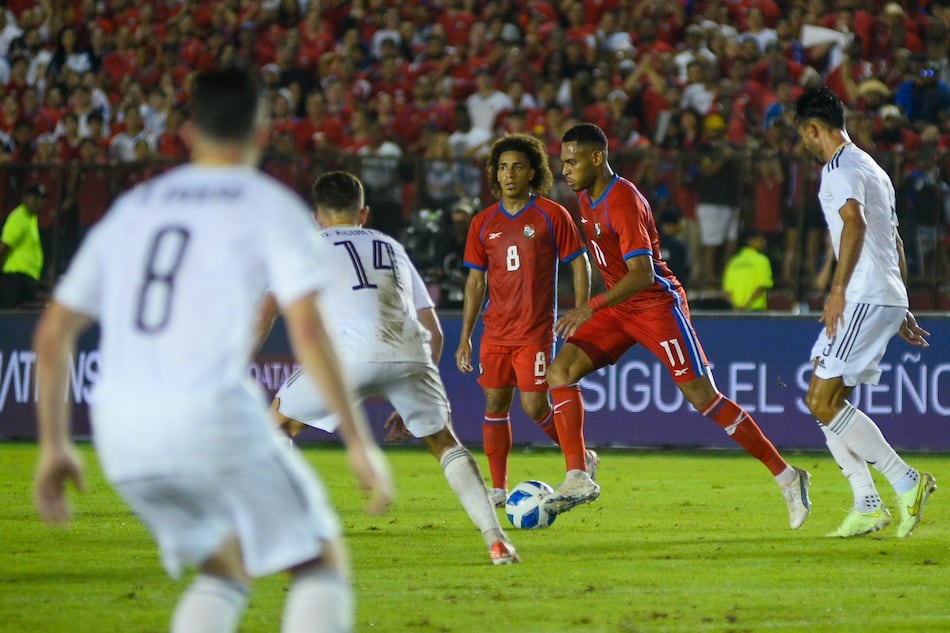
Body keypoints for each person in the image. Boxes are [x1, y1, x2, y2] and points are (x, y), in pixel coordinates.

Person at [32, 65, 393, 633]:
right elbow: (307, 331)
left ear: (185, 133)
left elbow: (53, 335)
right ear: (265, 132)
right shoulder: (272, 207)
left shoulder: (133, 209)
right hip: (208, 414)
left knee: (226, 568)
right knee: (320, 561)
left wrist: (54, 444)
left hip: (121, 435)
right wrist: (356, 441)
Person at [544, 123, 812, 530]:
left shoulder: (623, 201)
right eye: (562, 161)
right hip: (618, 309)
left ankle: (788, 476)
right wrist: (596, 307)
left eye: (571, 160)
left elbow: (643, 273)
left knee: (704, 398)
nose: (564, 169)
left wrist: (588, 307)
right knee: (560, 371)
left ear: (597, 157)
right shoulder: (584, 198)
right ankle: (578, 475)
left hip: (654, 305)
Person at [266, 170, 520, 565]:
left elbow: (265, 314)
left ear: (316, 217)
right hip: (410, 350)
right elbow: (434, 330)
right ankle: (497, 540)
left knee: (279, 425)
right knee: (444, 443)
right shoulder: (390, 245)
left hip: (347, 355)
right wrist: (411, 391)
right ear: (363, 213)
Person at [794, 86, 936, 538]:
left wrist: (838, 291)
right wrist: (902, 303)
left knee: (821, 401)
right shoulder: (873, 167)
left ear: (814, 129)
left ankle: (905, 480)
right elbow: (892, 240)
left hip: (863, 295)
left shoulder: (839, 170)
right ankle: (867, 502)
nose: (805, 145)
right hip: (881, 292)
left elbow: (854, 224)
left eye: (804, 136)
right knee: (824, 391)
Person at [455, 133, 593, 507]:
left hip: (534, 330)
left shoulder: (551, 214)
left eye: (517, 166)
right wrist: (465, 336)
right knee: (495, 404)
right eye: (502, 167)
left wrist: (581, 309)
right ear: (494, 175)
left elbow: (578, 262)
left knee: (534, 406)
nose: (509, 174)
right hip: (495, 331)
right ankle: (498, 489)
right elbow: (475, 282)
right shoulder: (483, 223)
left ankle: (581, 459)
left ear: (533, 172)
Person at [0, 183, 46, 308]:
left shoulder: (30, 218)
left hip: (24, 277)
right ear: (25, 198)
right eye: (34, 198)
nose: (38, 202)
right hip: (15, 278)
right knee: (12, 319)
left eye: (41, 198)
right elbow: (4, 246)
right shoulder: (19, 217)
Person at [722, 230, 774, 311]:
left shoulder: (733, 262)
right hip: (755, 310)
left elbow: (727, 291)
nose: (764, 242)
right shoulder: (762, 260)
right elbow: (762, 285)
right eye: (760, 240)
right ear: (750, 241)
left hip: (735, 311)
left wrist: (735, 307)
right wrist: (746, 305)